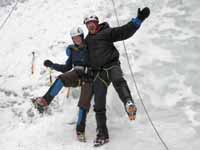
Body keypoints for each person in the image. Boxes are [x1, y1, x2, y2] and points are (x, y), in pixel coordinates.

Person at [83, 7, 150, 146]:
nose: (90, 27)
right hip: (99, 73)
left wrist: (138, 20)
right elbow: (80, 53)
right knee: (99, 104)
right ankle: (102, 134)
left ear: (97, 23)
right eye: (88, 25)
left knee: (118, 81)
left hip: (112, 65)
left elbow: (123, 31)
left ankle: (128, 103)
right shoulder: (87, 40)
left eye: (92, 24)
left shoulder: (107, 32)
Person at [32, 27, 93, 142]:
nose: (76, 39)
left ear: (82, 36)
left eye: (78, 37)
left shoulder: (90, 46)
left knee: (83, 103)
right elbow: (66, 68)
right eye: (74, 38)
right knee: (61, 79)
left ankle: (80, 131)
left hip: (89, 77)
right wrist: (52, 65)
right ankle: (44, 102)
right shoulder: (73, 50)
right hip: (76, 74)